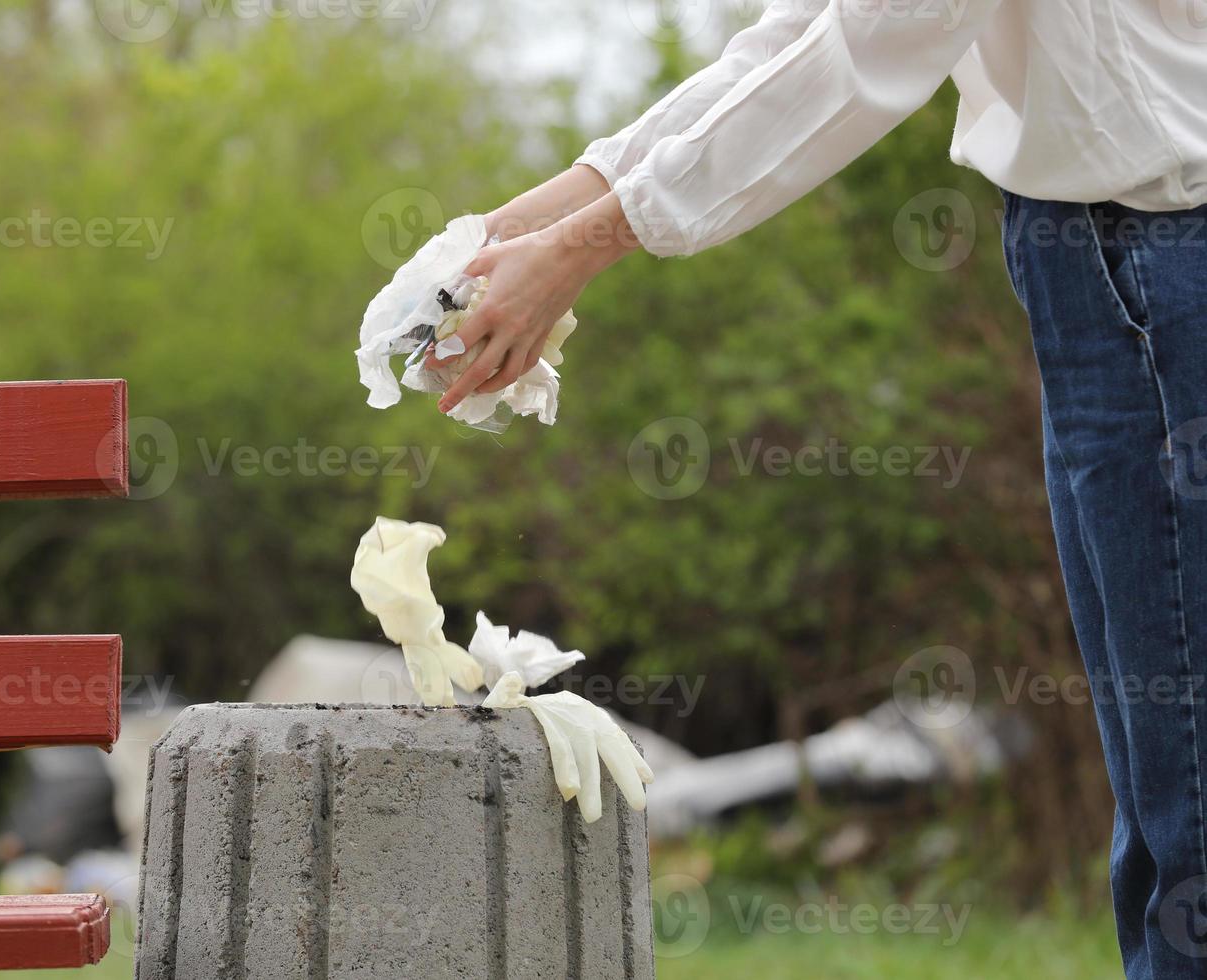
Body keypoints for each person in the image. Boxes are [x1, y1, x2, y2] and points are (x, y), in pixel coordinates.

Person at [427, 1, 1207, 976]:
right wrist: (500, 234)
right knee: (1163, 818)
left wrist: (573, 252)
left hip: (1162, 256)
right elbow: (795, 40)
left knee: (1189, 828)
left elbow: (856, 64)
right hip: (1091, 261)